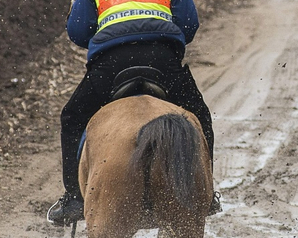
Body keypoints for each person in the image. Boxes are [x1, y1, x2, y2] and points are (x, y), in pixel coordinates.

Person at [48, 0, 221, 226]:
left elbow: (80, 31)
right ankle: (204, 194)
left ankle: (74, 199)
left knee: (72, 118)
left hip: (111, 62)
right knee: (199, 115)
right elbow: (188, 26)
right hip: (162, 57)